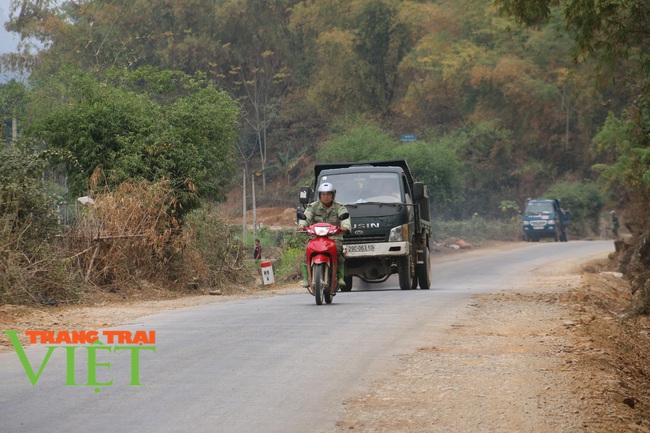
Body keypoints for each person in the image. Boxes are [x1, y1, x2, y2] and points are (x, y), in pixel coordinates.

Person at [298, 182, 351, 290]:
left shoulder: (339, 207)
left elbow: (345, 218)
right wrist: (302, 225)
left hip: (333, 236)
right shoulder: (313, 206)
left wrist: (345, 227)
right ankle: (306, 278)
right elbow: (306, 217)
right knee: (306, 252)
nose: (326, 196)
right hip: (315, 236)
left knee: (339, 251)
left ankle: (340, 277)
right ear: (319, 195)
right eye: (323, 194)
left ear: (333, 195)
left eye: (328, 194)